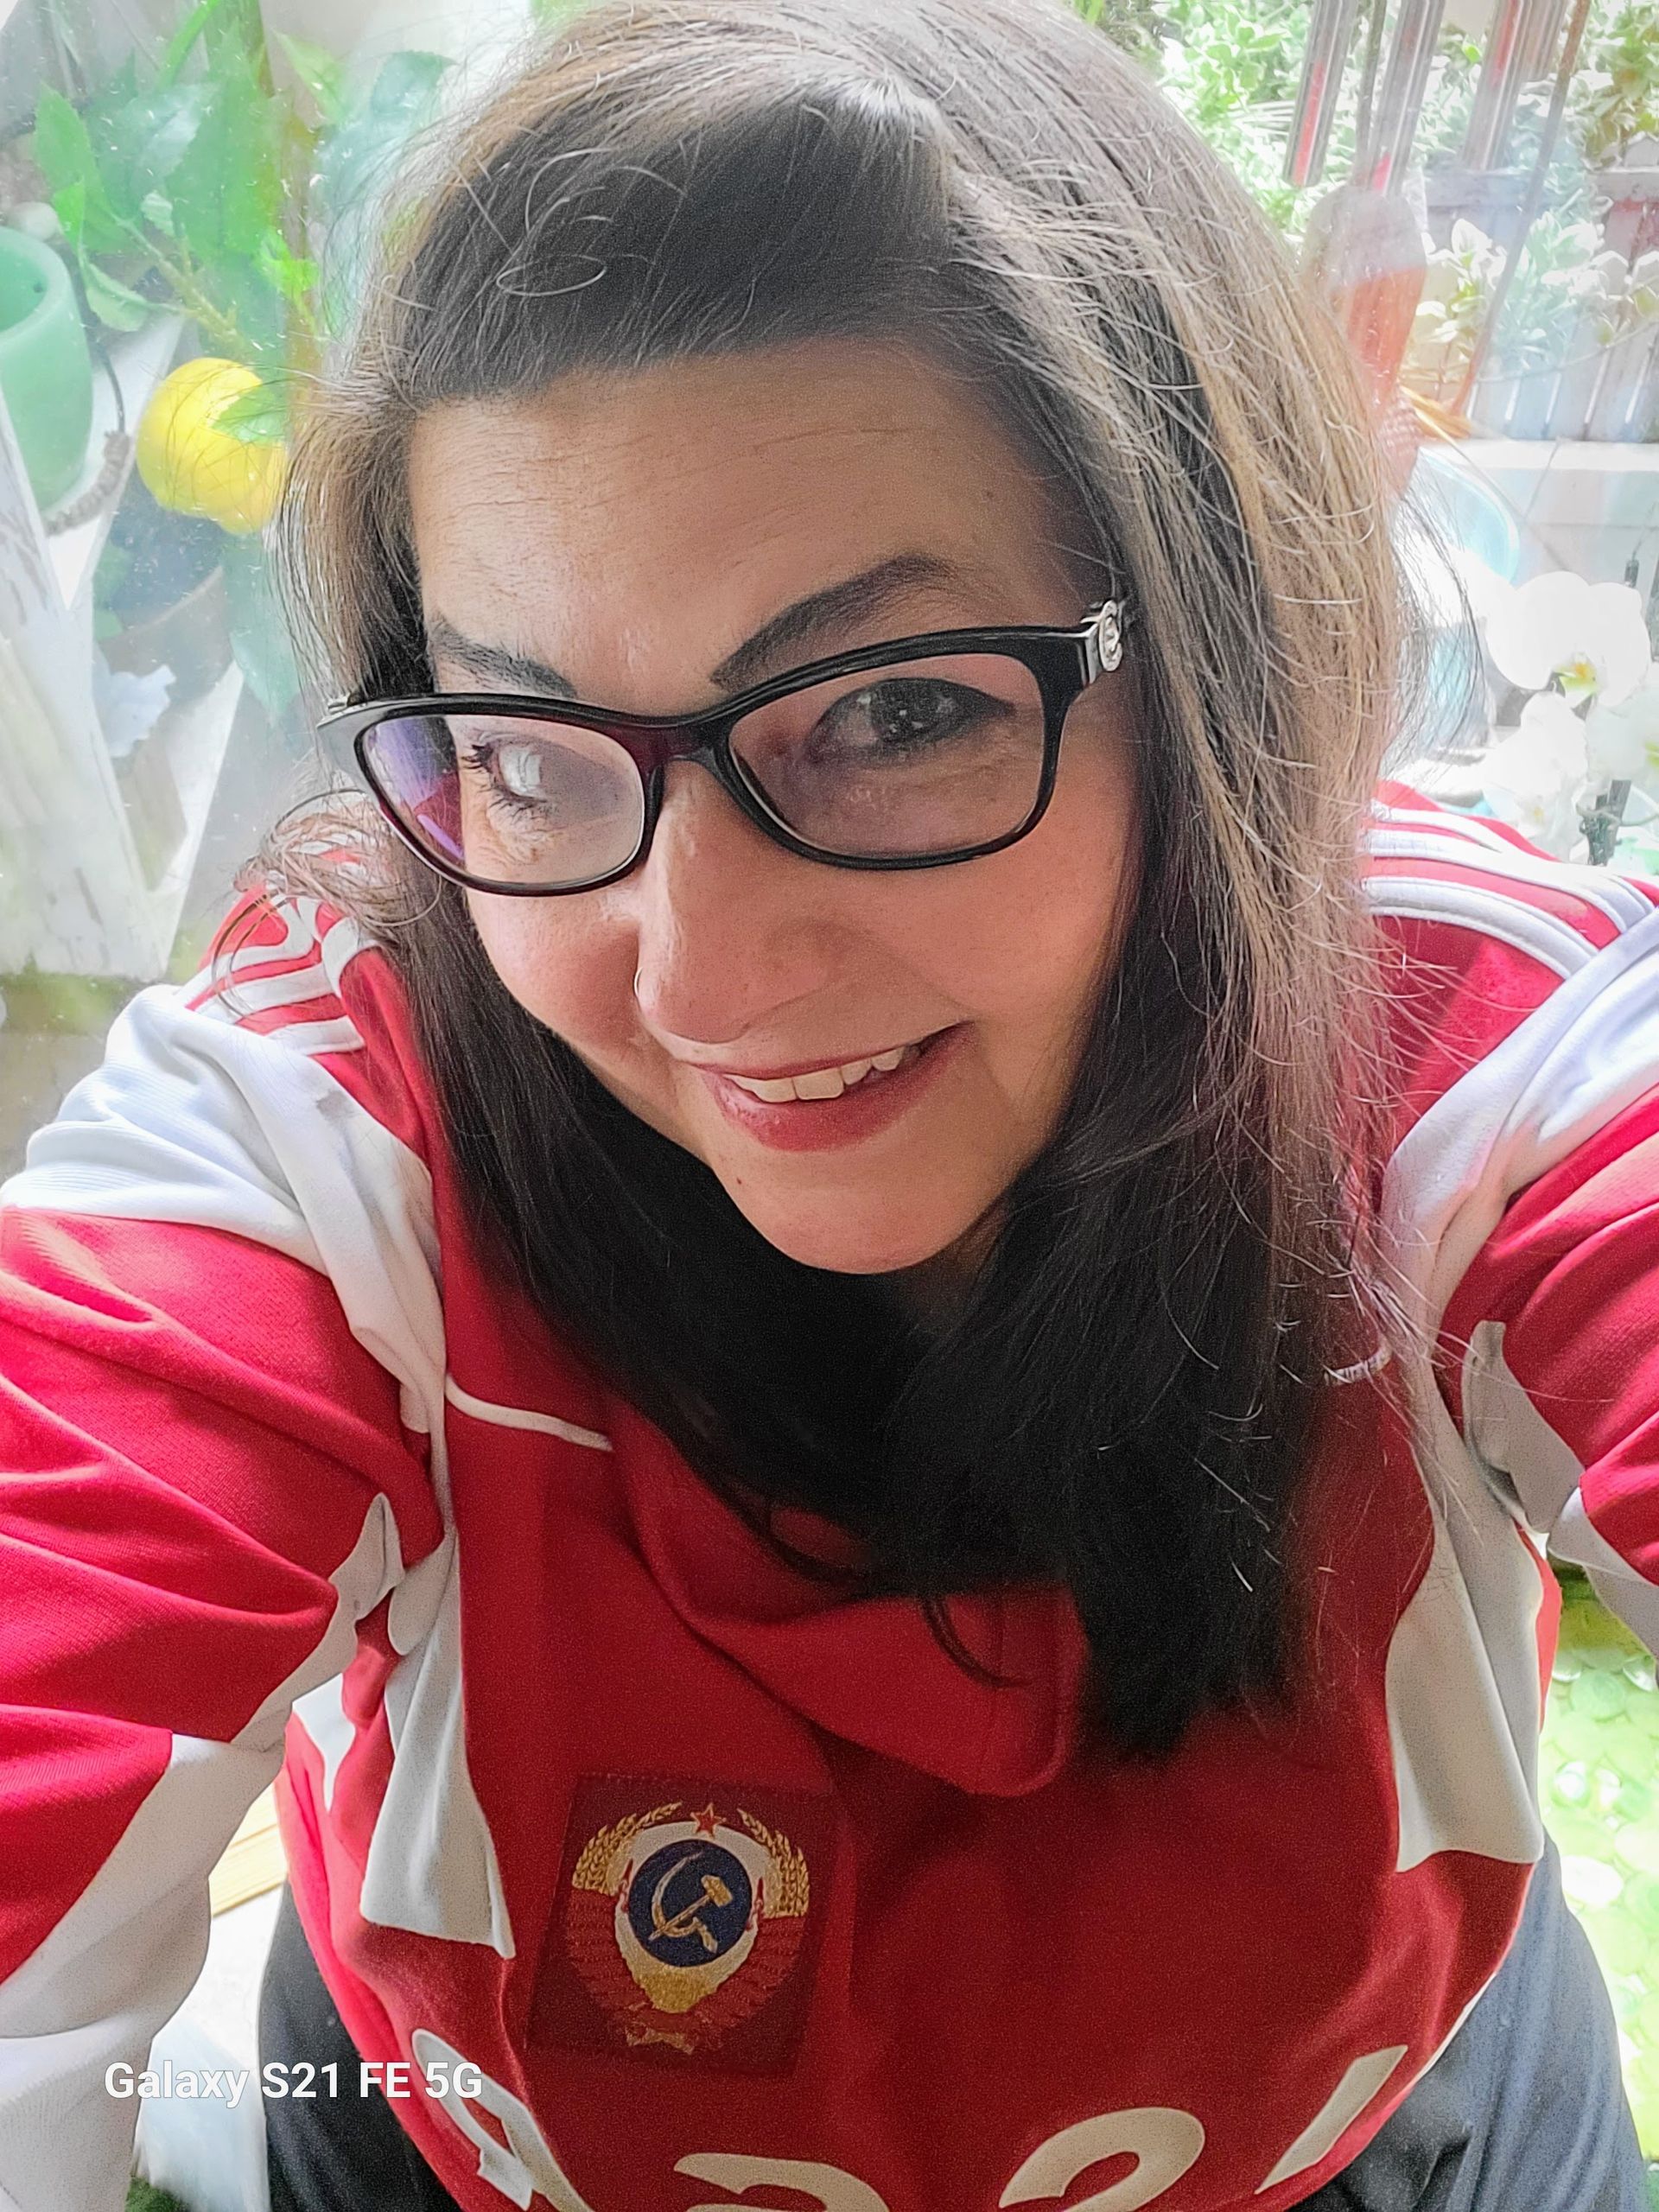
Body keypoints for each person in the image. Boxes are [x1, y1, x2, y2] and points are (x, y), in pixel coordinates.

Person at [2, 0, 1656, 2206]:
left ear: (1215, 653)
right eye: (526, 749)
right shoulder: (335, 1135)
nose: (695, 976)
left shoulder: (1460, 1050)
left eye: (891, 713)